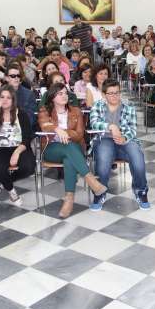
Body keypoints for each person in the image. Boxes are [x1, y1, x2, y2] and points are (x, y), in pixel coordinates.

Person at [38, 83, 107, 217]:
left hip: (74, 147)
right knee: (69, 149)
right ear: (52, 97)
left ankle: (68, 200)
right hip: (52, 148)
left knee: (69, 156)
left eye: (65, 93)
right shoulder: (45, 110)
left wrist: (64, 132)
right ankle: (91, 180)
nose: (64, 96)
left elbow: (80, 134)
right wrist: (57, 129)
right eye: (60, 93)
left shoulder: (76, 111)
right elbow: (44, 126)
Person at [89, 80, 150, 210]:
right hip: (104, 139)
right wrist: (111, 126)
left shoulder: (128, 107)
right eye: (111, 93)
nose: (115, 96)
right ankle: (100, 192)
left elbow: (132, 129)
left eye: (117, 93)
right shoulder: (97, 106)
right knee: (104, 158)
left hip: (124, 140)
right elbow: (94, 124)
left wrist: (124, 137)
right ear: (104, 94)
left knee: (137, 154)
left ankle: (141, 191)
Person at [0, 86, 35, 207]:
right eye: (2, 97)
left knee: (29, 167)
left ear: (13, 100)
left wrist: (17, 152)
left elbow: (27, 137)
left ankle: (4, 182)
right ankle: (11, 191)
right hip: (0, 148)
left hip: (20, 147)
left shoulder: (22, 114)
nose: (5, 100)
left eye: (8, 97)